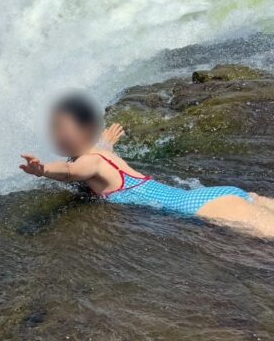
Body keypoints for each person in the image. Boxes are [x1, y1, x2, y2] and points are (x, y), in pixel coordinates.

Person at [19, 93, 274, 238]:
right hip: (219, 194)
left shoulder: (90, 163)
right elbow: (97, 154)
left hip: (197, 207)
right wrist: (106, 140)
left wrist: (43, 171)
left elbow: (69, 172)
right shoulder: (100, 152)